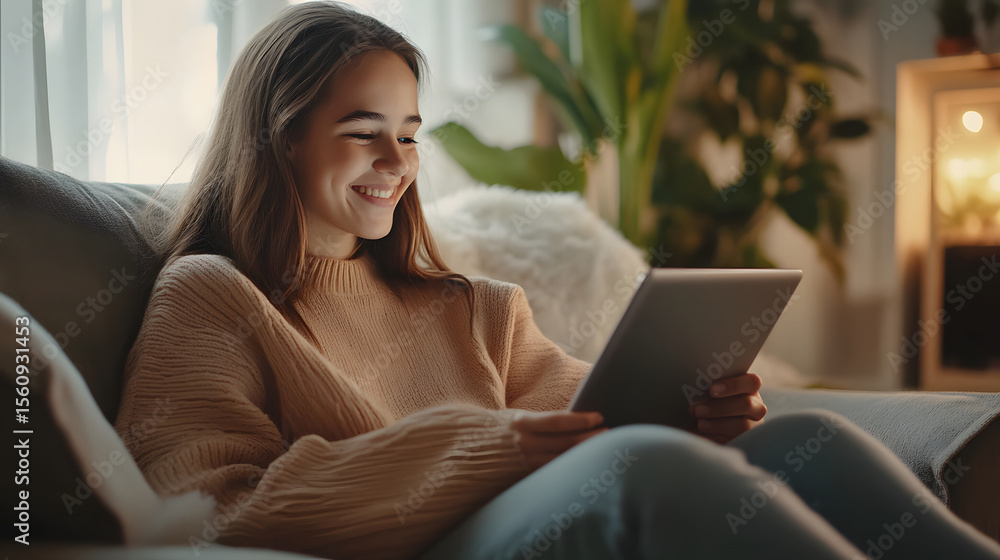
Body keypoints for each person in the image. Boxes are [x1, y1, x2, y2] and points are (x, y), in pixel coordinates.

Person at [113, 2, 1000, 559]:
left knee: (807, 442)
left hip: (530, 511)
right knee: (641, 464)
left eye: (411, 133)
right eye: (363, 130)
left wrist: (705, 412)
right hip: (435, 545)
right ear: (280, 135)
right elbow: (204, 512)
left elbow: (591, 414)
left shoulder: (477, 309)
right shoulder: (211, 295)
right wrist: (480, 447)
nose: (396, 161)